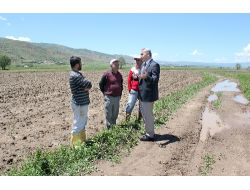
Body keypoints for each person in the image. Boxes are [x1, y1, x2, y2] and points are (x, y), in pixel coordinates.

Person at [69, 56, 92, 147]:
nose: (81, 64)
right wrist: (85, 87)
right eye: (80, 63)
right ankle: (75, 145)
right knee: (78, 123)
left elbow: (87, 85)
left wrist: (85, 87)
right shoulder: (75, 75)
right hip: (79, 103)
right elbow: (89, 84)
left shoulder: (77, 74)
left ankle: (82, 141)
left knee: (82, 121)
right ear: (77, 64)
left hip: (81, 103)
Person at [138, 48, 160, 141]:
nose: (140, 56)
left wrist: (147, 77)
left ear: (148, 54)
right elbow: (143, 77)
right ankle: (148, 131)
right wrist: (138, 77)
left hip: (148, 95)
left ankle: (150, 135)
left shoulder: (155, 65)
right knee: (145, 114)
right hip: (142, 94)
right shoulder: (144, 64)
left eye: (142, 54)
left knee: (148, 115)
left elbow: (155, 80)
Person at [99, 59, 123, 129]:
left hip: (117, 97)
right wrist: (104, 93)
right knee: (108, 113)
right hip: (109, 96)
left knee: (115, 113)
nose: (117, 66)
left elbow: (121, 85)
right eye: (115, 64)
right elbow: (101, 84)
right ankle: (109, 128)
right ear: (111, 65)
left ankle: (114, 127)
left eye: (118, 64)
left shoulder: (119, 75)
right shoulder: (107, 74)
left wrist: (120, 94)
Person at [125, 57, 143, 121]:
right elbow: (129, 79)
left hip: (142, 91)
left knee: (142, 106)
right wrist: (130, 89)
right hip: (134, 90)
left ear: (142, 61)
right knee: (130, 104)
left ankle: (139, 120)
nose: (137, 62)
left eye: (139, 60)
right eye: (136, 60)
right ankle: (127, 121)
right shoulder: (133, 69)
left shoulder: (144, 69)